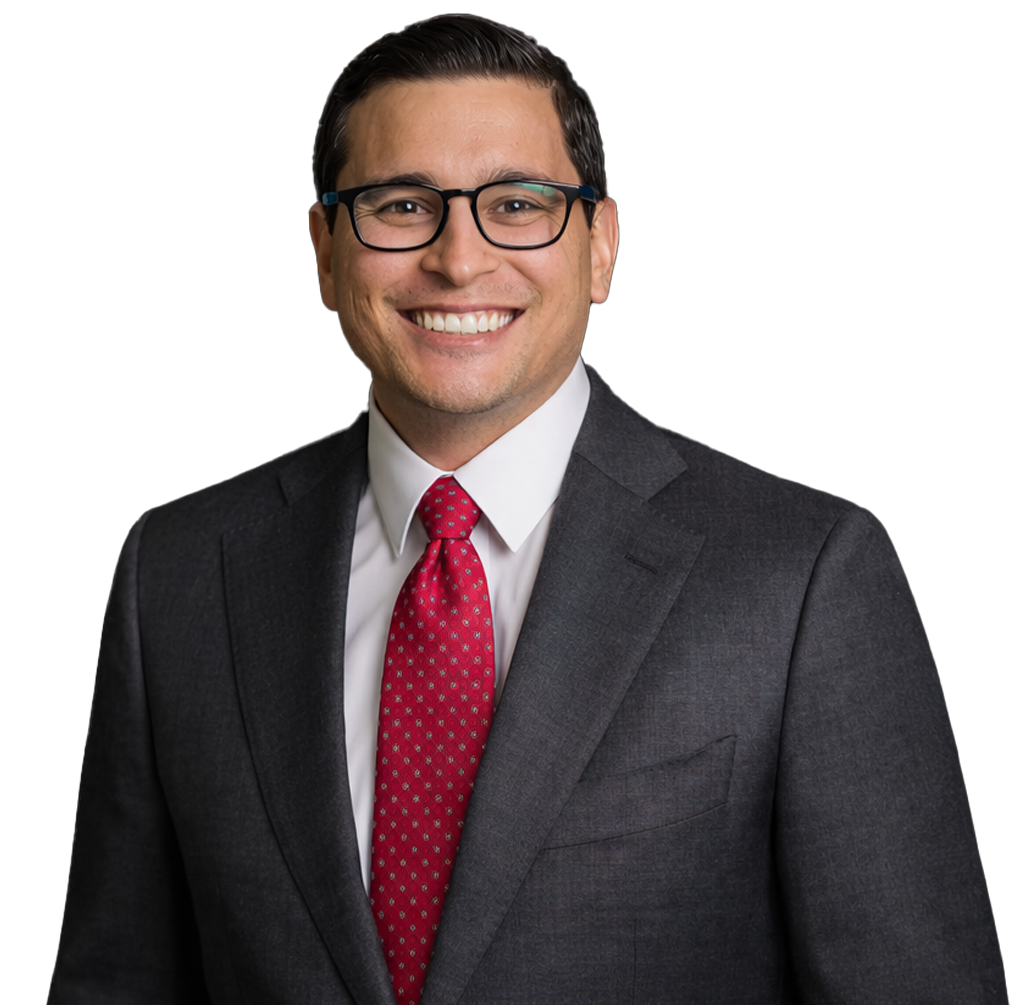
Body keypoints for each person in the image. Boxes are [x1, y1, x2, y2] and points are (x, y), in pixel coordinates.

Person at [50, 15, 1006, 1004]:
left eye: (517, 204)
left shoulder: (804, 576)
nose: (459, 260)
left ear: (600, 247)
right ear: (326, 254)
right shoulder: (178, 572)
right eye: (400, 205)